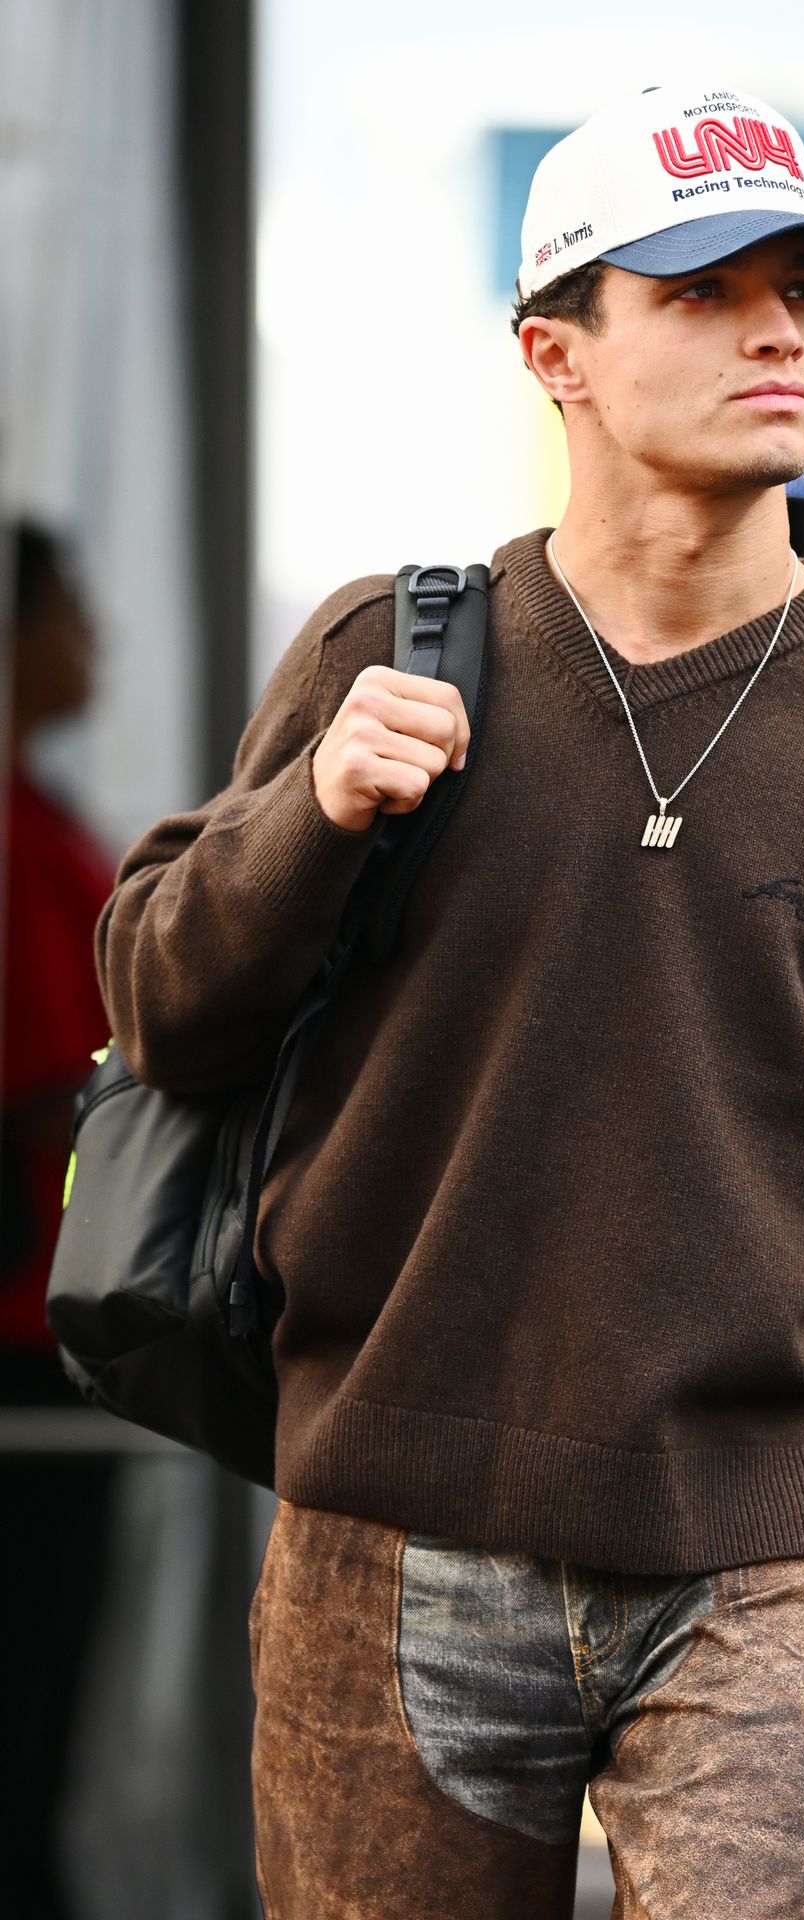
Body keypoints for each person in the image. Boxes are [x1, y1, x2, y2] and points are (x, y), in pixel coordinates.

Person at [94, 82, 804, 1918]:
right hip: (387, 1532)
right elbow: (161, 1010)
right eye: (705, 291)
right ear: (555, 351)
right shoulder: (383, 652)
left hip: (766, 1559)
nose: (779, 331)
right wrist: (313, 814)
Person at [1, 521, 120, 1918]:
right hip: (21, 1331)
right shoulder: (18, 839)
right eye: (69, 609)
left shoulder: (42, 814)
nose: (95, 640)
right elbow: (56, 1083)